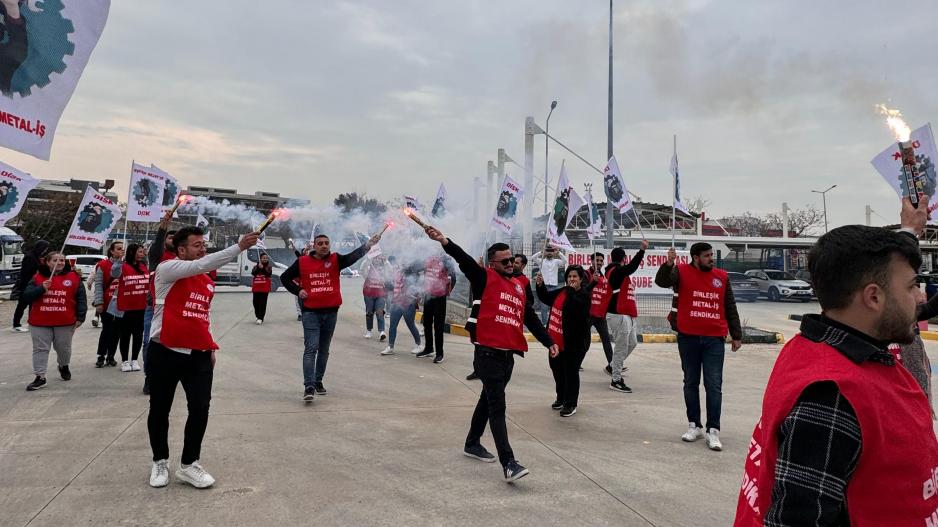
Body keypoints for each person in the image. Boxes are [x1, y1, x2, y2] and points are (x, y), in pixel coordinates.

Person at [733, 201, 938, 525]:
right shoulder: (831, 398)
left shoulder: (832, 345)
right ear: (873, 298)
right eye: (913, 287)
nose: (919, 299)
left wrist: (909, 231)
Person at [424, 226, 557, 483]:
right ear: (493, 264)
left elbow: (530, 318)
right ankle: (509, 463)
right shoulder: (484, 278)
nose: (511, 264)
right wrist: (445, 241)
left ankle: (472, 442)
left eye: (512, 259)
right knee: (497, 406)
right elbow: (463, 260)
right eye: (505, 261)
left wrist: (548, 341)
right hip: (487, 355)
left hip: (508, 357)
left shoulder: (519, 285)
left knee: (487, 399)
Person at [147, 227, 259, 489]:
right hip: (164, 350)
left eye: (204, 244)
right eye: (197, 244)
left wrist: (209, 348)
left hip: (197, 354)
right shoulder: (167, 269)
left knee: (200, 408)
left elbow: (201, 316)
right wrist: (239, 247)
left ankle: (189, 464)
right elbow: (203, 263)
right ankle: (160, 460)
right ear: (181, 249)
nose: (203, 248)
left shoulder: (206, 280)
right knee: (160, 408)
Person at [656, 242, 741, 451]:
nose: (711, 258)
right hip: (688, 337)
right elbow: (662, 281)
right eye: (706, 255)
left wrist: (736, 335)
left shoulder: (721, 277)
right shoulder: (681, 272)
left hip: (714, 339)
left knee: (713, 385)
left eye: (711, 255)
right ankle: (694, 425)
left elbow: (729, 306)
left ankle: (714, 430)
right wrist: (668, 264)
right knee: (690, 382)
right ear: (695, 257)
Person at [281, 232, 379, 401]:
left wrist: (368, 245)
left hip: (331, 312)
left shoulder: (335, 259)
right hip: (311, 312)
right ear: (314, 245)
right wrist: (298, 291)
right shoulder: (302, 262)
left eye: (327, 243)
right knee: (311, 348)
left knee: (324, 350)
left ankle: (318, 381)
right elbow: (285, 278)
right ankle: (309, 385)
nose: (324, 245)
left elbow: (353, 256)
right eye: (320, 243)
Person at [22, 250, 87, 390]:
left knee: (64, 349)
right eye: (55, 260)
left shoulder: (74, 277)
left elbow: (81, 298)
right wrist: (41, 288)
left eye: (62, 260)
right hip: (40, 322)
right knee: (40, 349)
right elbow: (26, 296)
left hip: (65, 322)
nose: (60, 263)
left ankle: (63, 365)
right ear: (47, 262)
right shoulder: (38, 278)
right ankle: (40, 377)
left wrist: (81, 316)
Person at [536, 265, 593, 417]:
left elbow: (577, 310)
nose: (571, 279)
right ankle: (561, 397)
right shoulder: (563, 291)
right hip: (555, 343)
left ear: (581, 279)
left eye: (575, 276)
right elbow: (546, 298)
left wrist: (573, 292)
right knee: (557, 372)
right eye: (569, 276)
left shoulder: (584, 295)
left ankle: (570, 403)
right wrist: (540, 286)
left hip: (573, 345)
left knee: (570, 373)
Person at [469, 253, 534, 381]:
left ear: (523, 266)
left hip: (506, 333)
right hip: (485, 326)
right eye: (508, 261)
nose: (512, 264)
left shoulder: (523, 282)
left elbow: (529, 305)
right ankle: (478, 370)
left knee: (493, 394)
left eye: (515, 262)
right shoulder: (494, 276)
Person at [604, 240, 649, 392]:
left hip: (626, 312)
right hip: (618, 313)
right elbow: (632, 267)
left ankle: (612, 365)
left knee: (632, 343)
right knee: (621, 347)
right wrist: (641, 250)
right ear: (623, 259)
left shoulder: (617, 270)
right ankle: (616, 379)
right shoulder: (616, 271)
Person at [143, 211, 176, 394]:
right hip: (154, 306)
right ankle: (150, 377)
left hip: (175, 308)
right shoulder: (157, 256)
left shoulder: (182, 259)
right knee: (150, 343)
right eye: (169, 238)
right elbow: (158, 241)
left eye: (175, 238)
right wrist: (165, 224)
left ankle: (169, 374)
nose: (171, 240)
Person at [110, 244, 149, 373]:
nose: (142, 254)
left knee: (138, 335)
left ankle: (134, 360)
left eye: (143, 252)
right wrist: (118, 261)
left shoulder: (143, 266)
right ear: (132, 252)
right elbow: (114, 273)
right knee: (125, 335)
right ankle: (125, 360)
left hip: (141, 307)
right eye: (140, 252)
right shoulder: (122, 266)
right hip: (126, 308)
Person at [416, 253, 456, 363]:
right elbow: (422, 273)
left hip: (440, 297)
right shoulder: (427, 257)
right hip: (428, 295)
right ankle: (429, 348)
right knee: (426, 323)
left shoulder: (446, 259)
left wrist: (445, 292)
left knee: (438, 326)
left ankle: (439, 353)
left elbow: (453, 277)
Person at [380, 263, 422, 356]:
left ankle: (419, 345)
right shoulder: (397, 272)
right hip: (396, 303)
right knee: (392, 326)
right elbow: (393, 285)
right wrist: (387, 284)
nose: (402, 264)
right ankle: (390, 347)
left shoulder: (413, 275)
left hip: (408, 304)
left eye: (405, 262)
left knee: (411, 325)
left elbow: (416, 290)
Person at [93, 241, 124, 368]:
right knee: (107, 329)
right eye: (118, 248)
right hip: (107, 303)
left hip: (121, 304)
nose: (121, 251)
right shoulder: (102, 265)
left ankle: (111, 356)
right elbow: (99, 285)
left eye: (123, 249)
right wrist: (99, 302)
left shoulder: (125, 265)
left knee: (117, 331)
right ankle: (101, 355)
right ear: (111, 251)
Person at [585, 252, 615, 371]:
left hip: (600, 314)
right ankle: (576, 361)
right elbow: (583, 291)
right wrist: (593, 281)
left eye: (601, 261)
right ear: (591, 261)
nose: (599, 262)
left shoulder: (604, 277)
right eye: (596, 260)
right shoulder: (586, 274)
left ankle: (612, 364)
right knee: (584, 340)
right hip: (588, 314)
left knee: (606, 339)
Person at [11, 239, 48, 332]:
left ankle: (31, 322)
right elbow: (26, 272)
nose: (45, 251)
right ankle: (16, 325)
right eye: (45, 248)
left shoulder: (36, 256)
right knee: (22, 305)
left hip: (33, 284)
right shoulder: (30, 257)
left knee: (33, 304)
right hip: (26, 284)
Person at [360, 254, 391, 341]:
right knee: (369, 312)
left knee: (380, 312)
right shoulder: (369, 268)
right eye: (375, 258)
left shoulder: (384, 268)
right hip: (368, 293)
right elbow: (362, 270)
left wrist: (386, 262)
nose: (377, 260)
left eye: (379, 258)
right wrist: (367, 260)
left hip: (381, 294)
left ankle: (382, 331)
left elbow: (390, 273)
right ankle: (369, 330)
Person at [532, 244, 566, 324]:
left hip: (554, 286)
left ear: (554, 252)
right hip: (544, 286)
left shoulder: (556, 262)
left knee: (553, 306)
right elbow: (533, 257)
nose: (549, 253)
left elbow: (565, 261)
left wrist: (559, 253)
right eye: (548, 251)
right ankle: (544, 323)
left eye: (551, 251)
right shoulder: (541, 261)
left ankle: (552, 323)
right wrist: (541, 252)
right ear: (545, 252)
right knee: (544, 306)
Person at [251, 252, 273, 324]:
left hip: (264, 288)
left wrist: (263, 268)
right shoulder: (256, 266)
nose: (265, 259)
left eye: (266, 258)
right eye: (263, 258)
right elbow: (253, 273)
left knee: (262, 303)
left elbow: (268, 274)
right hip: (256, 288)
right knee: (255, 302)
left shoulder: (269, 267)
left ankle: (260, 317)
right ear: (260, 259)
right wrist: (258, 267)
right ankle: (258, 316)